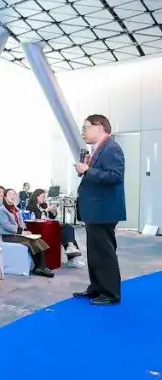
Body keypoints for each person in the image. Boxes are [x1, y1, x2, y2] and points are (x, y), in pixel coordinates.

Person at [74, 114, 125, 305]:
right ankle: (97, 287)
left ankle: (110, 293)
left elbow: (115, 176)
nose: (83, 132)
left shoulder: (111, 148)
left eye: (86, 128)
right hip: (95, 211)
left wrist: (88, 170)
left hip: (103, 210)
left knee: (104, 252)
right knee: (94, 252)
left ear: (100, 128)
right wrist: (88, 168)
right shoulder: (98, 149)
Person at [0, 188, 53, 278]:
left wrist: (25, 230)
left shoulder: (16, 209)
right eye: (10, 194)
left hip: (18, 234)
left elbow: (21, 223)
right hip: (8, 236)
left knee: (39, 240)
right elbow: (7, 225)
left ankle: (40, 267)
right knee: (32, 241)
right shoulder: (2, 210)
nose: (12, 196)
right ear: (5, 197)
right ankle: (41, 268)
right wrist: (21, 232)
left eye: (14, 194)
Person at [27, 188, 82, 266]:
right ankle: (72, 255)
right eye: (43, 197)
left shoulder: (44, 205)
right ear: (37, 196)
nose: (44, 198)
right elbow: (37, 217)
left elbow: (50, 217)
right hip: (39, 229)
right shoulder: (30, 206)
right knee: (66, 229)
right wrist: (47, 210)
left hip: (49, 227)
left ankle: (71, 248)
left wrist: (53, 212)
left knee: (67, 231)